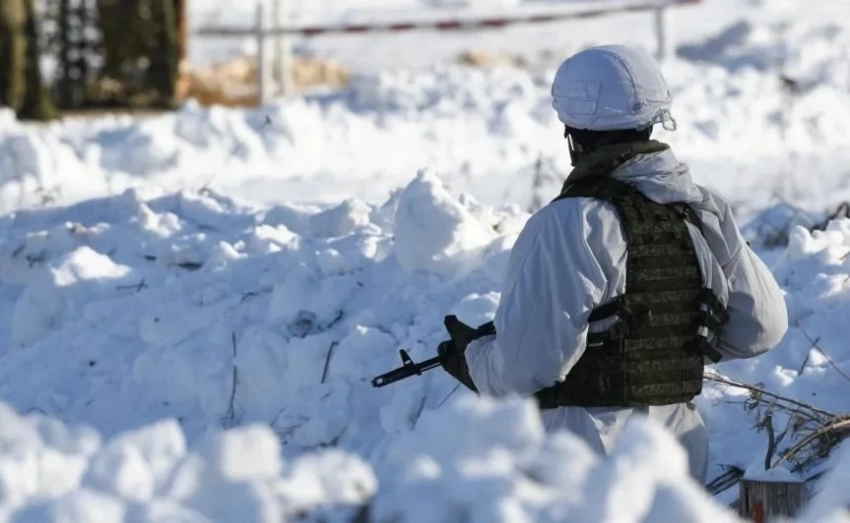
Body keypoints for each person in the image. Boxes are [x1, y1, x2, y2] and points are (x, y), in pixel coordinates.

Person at [436, 44, 788, 482]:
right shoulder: (699, 209)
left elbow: (528, 367)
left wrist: (473, 358)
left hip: (587, 461)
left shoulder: (570, 222)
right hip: (678, 454)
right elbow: (762, 328)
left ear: (573, 133)